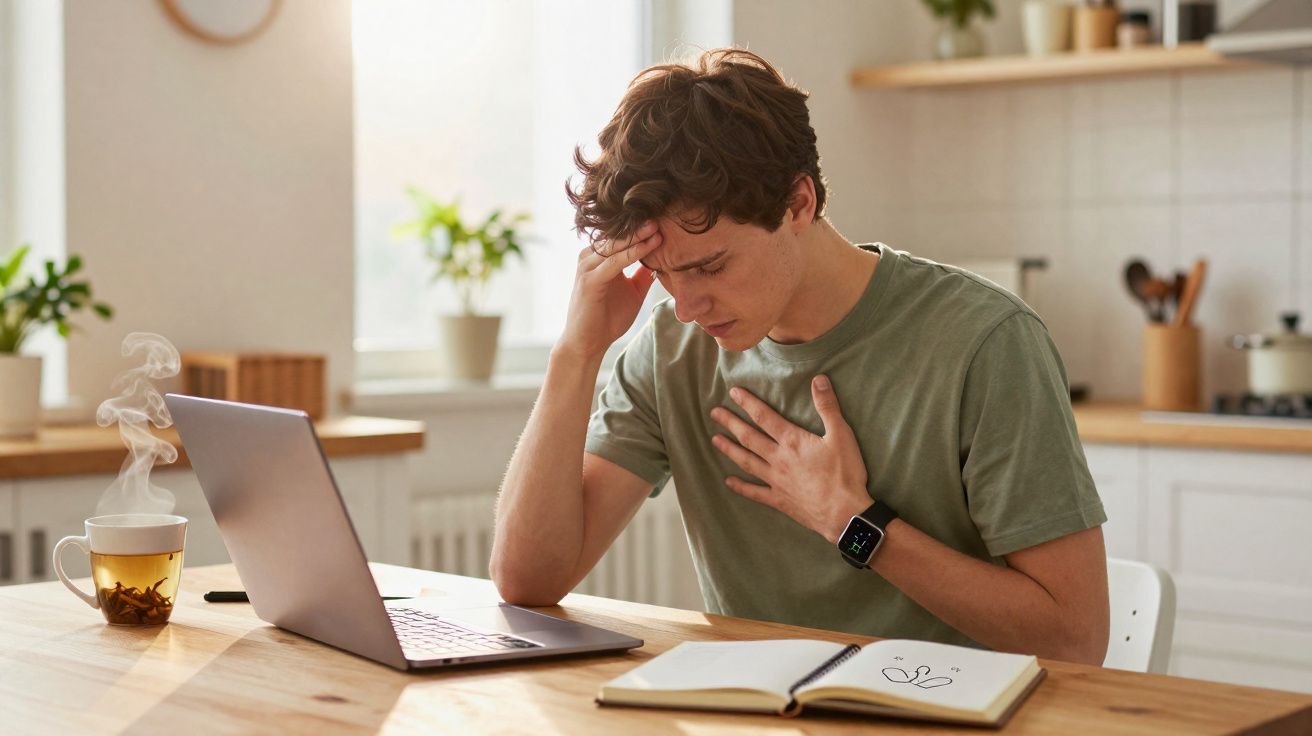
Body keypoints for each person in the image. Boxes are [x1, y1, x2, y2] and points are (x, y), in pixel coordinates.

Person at [490, 48, 1110, 665]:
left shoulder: (986, 342)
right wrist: (576, 352)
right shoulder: (670, 352)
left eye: (709, 266)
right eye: (661, 272)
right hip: (752, 706)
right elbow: (528, 582)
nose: (685, 307)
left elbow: (1074, 639)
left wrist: (853, 523)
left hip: (947, 705)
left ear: (798, 203)